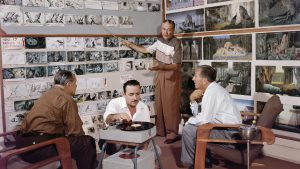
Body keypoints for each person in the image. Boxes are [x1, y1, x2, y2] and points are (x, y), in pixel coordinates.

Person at [16, 70, 97, 169]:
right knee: (86, 143)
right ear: (68, 84)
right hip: (38, 148)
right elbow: (76, 132)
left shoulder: (47, 94)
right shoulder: (66, 99)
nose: (76, 86)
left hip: (23, 145)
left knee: (68, 143)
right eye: (75, 83)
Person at [122, 20, 182, 144]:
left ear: (173, 30)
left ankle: (172, 133)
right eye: (164, 29)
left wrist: (161, 67)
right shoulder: (159, 41)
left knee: (170, 105)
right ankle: (161, 130)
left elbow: (176, 65)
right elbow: (145, 50)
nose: (166, 32)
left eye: (169, 29)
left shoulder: (176, 43)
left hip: (171, 76)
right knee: (159, 103)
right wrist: (130, 44)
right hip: (160, 74)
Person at [181, 65, 242, 169]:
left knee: (188, 129)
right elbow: (200, 116)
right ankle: (205, 161)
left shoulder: (212, 92)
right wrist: (192, 100)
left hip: (230, 133)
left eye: (196, 76)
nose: (193, 79)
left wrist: (188, 122)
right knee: (195, 127)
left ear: (204, 80)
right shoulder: (212, 90)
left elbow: (204, 119)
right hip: (226, 130)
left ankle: (192, 164)